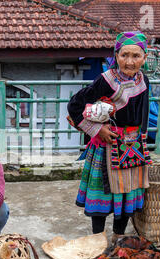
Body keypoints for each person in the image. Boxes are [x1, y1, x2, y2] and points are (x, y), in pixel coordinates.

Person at [67, 31, 151, 243]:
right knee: (103, 193)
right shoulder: (105, 80)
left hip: (133, 147)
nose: (129, 62)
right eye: (124, 55)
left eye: (136, 56)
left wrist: (143, 140)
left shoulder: (144, 80)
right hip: (107, 145)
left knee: (127, 193)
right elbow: (75, 105)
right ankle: (98, 238)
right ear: (116, 55)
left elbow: (144, 111)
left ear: (145, 58)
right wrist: (98, 130)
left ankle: (119, 235)